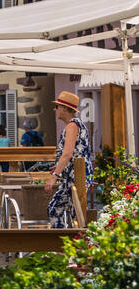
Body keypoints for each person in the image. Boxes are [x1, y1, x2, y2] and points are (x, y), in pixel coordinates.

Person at [44, 91, 93, 228]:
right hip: (77, 175)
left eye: (58, 106)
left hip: (76, 176)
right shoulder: (77, 125)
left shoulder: (72, 126)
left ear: (65, 108)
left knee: (55, 209)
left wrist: (54, 176)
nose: (55, 109)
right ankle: (72, 244)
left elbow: (68, 154)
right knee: (75, 215)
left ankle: (63, 245)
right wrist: (60, 166)